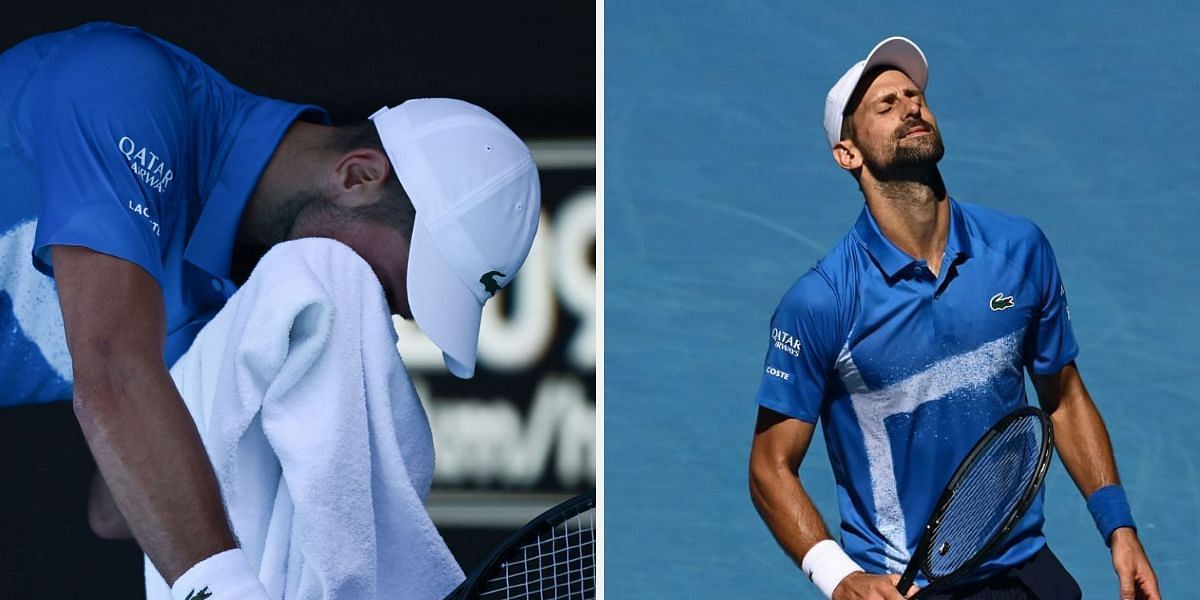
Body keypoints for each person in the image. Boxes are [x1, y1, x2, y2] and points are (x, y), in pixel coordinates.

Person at [0, 21, 539, 598]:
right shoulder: (124, 85)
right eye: (380, 285)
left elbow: (113, 508)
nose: (377, 319)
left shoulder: (239, 315)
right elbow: (112, 376)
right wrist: (223, 586)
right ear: (358, 175)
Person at [747, 37, 1159, 600]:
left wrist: (1119, 527)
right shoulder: (822, 302)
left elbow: (1062, 398)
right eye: (884, 106)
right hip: (906, 586)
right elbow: (770, 465)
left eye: (914, 95)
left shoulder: (1020, 250)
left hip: (1023, 568)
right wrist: (840, 577)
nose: (910, 107)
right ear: (848, 153)